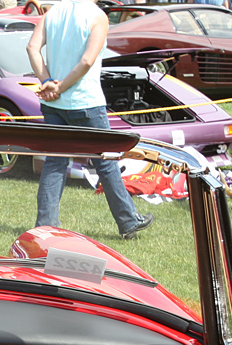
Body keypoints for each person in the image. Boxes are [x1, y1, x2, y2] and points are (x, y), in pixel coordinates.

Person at [26, 0, 153, 239]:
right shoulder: (98, 16)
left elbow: (32, 48)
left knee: (54, 163)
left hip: (54, 103)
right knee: (106, 163)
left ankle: (45, 225)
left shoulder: (51, 13)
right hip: (86, 102)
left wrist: (48, 83)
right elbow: (86, 61)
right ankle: (128, 221)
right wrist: (60, 86)